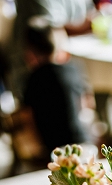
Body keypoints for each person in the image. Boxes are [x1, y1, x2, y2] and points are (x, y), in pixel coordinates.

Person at [20, 20, 89, 157]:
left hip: (52, 149)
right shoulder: (73, 68)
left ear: (30, 55)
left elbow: (28, 118)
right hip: (82, 140)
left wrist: (36, 148)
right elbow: (86, 104)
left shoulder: (33, 79)